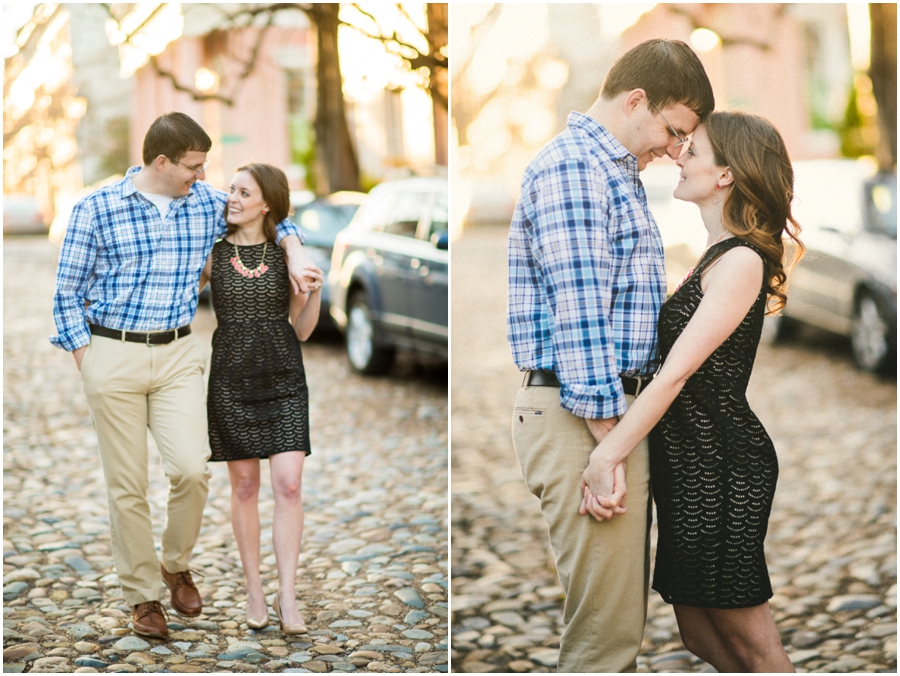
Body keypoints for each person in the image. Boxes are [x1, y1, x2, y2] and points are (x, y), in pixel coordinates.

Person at [51, 112, 311, 640]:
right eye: (194, 165)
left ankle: (175, 562)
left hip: (177, 355)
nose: (203, 174)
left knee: (193, 470)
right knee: (126, 486)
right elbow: (65, 295)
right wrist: (89, 361)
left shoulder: (206, 204)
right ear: (163, 162)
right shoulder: (95, 209)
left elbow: (273, 212)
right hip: (111, 353)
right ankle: (144, 596)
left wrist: (295, 247)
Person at [507, 39, 714, 672]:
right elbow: (581, 316)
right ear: (635, 100)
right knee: (604, 642)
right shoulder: (576, 169)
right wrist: (609, 447)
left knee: (616, 627)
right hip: (585, 415)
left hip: (600, 414)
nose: (673, 150)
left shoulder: (611, 172)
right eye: (673, 131)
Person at [581, 111, 803, 672]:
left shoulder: (741, 261)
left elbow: (675, 374)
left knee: (750, 641)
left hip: (722, 464)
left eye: (694, 150)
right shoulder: (712, 255)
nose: (678, 155)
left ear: (726, 174)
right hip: (688, 464)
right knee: (700, 633)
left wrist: (608, 453)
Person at [199, 163, 322, 634]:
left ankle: (287, 595)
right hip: (231, 381)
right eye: (231, 189)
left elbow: (304, 332)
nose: (231, 197)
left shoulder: (285, 256)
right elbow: (181, 299)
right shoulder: (211, 255)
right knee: (245, 488)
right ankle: (255, 589)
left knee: (289, 484)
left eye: (242, 191)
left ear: (265, 203)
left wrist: (313, 294)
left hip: (284, 378)